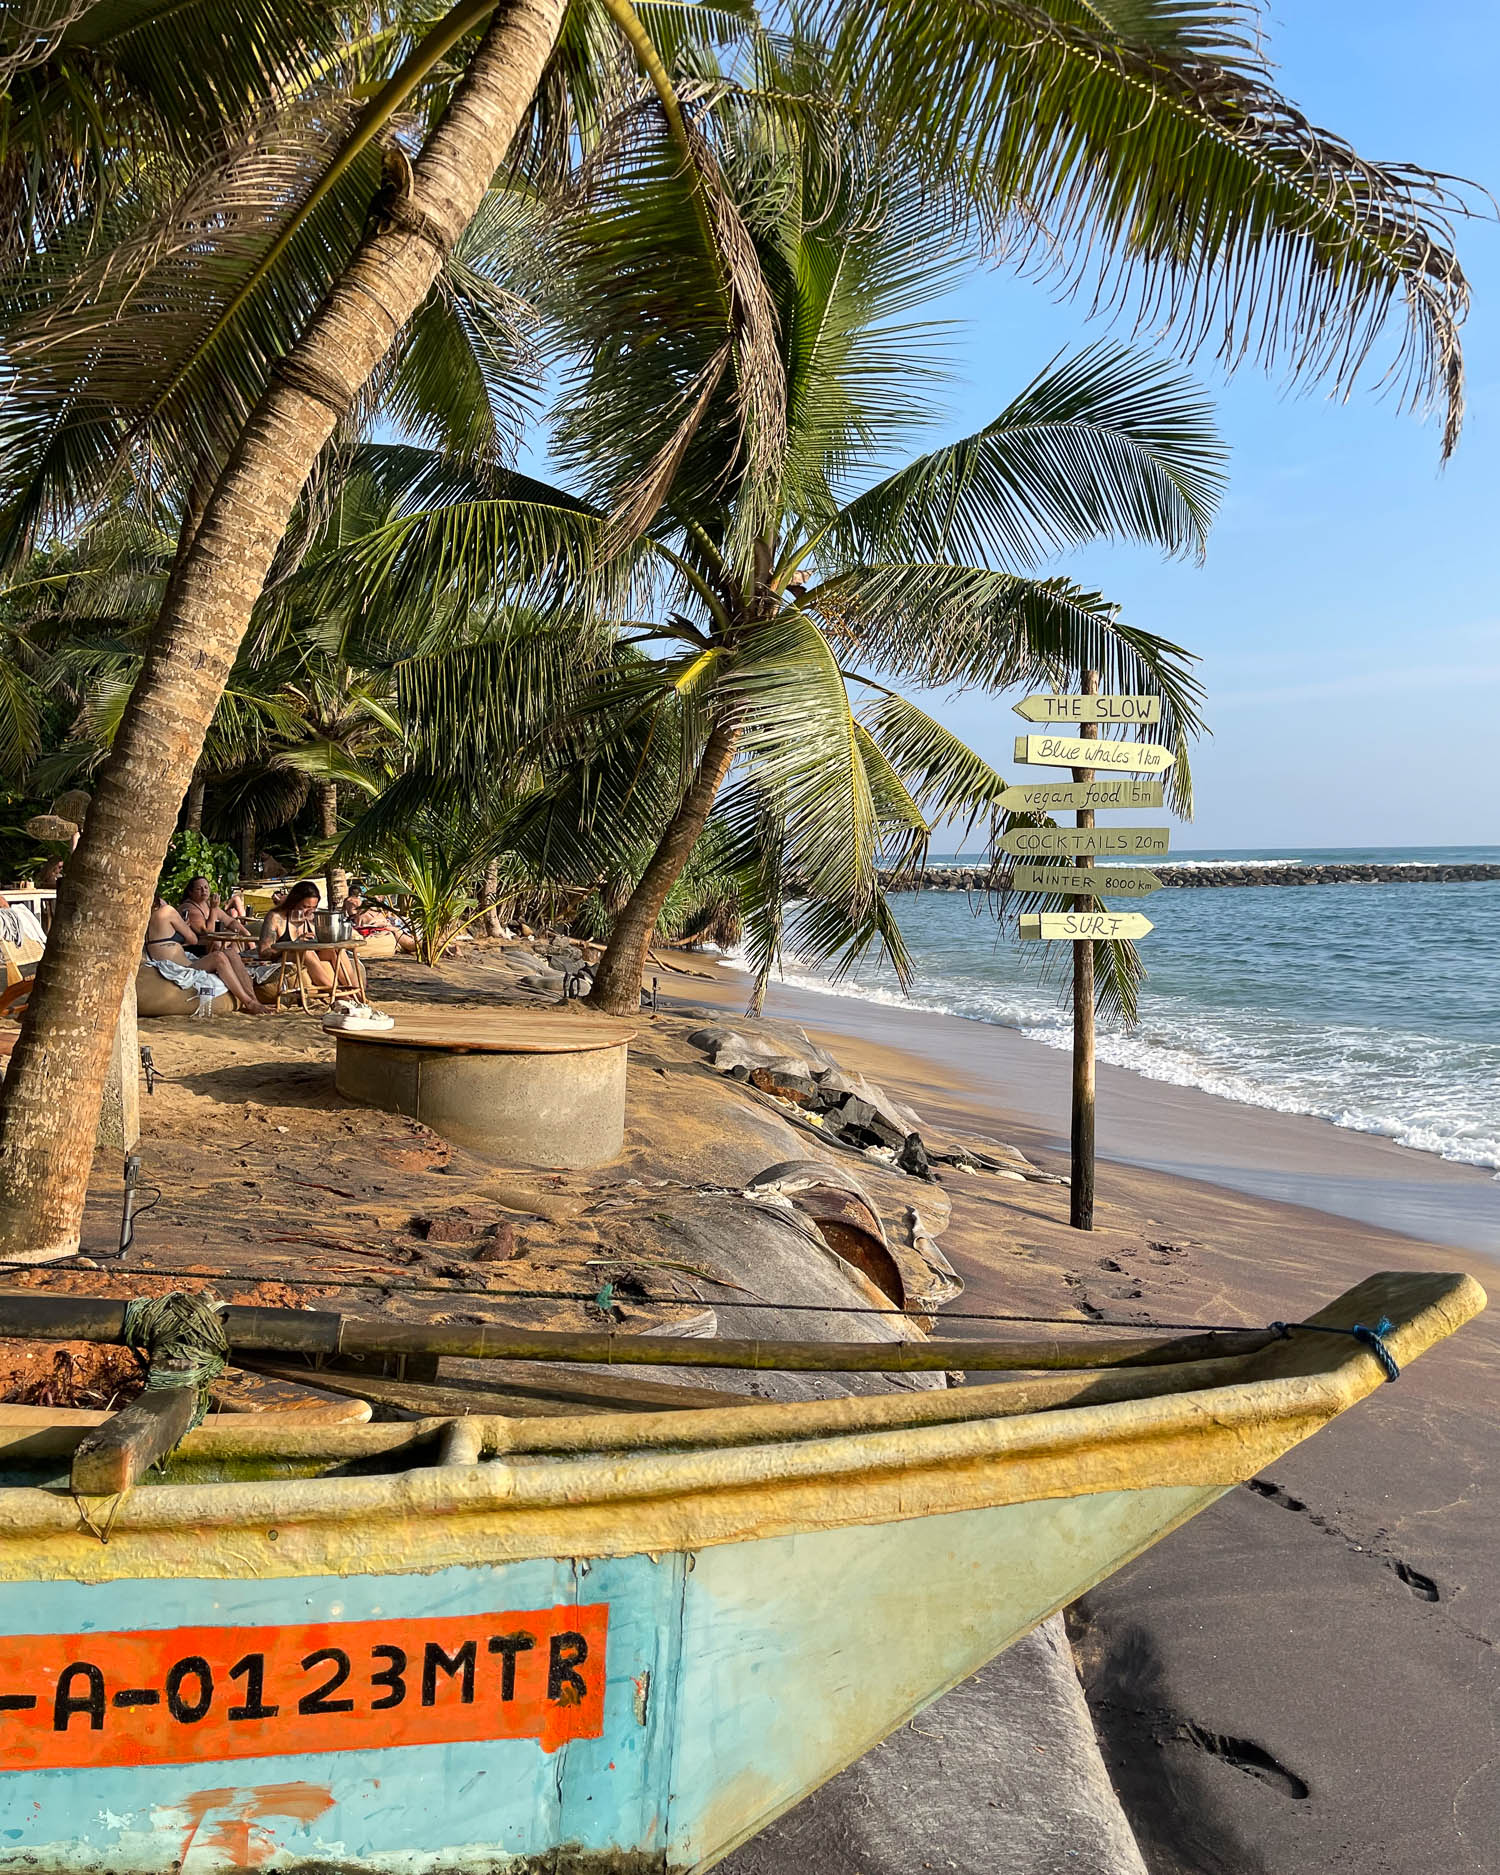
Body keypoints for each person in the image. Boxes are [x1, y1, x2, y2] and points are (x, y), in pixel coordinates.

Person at [143, 895, 270, 1015]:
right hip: (180, 967)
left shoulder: (146, 919)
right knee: (218, 958)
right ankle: (249, 1002)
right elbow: (193, 939)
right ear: (159, 900)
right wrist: (184, 926)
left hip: (174, 962)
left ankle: (253, 999)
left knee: (230, 952)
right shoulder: (167, 911)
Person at [258, 880, 362, 991]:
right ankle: (337, 994)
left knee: (335, 951)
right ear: (294, 902)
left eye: (313, 907)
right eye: (305, 907)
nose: (310, 911)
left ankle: (358, 994)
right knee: (306, 952)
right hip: (284, 958)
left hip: (310, 956)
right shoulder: (276, 918)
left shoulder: (312, 917)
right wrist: (294, 944)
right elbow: (264, 952)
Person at [341, 883, 418, 955]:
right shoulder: (359, 902)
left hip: (356, 919)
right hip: (378, 927)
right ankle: (418, 945)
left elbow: (343, 911)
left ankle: (416, 945)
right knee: (399, 934)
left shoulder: (347, 900)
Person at [178, 875, 253, 947]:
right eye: (198, 889)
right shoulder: (189, 908)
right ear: (190, 892)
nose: (204, 891)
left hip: (213, 943)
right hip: (196, 947)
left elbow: (230, 922)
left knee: (236, 940)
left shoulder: (206, 904)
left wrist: (248, 937)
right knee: (218, 943)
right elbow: (208, 933)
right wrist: (213, 908)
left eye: (206, 887)